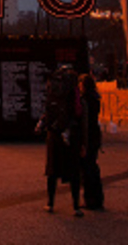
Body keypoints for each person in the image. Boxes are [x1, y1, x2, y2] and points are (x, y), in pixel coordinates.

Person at [38, 66, 84, 216]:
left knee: (52, 170)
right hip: (70, 133)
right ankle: (76, 206)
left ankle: (50, 203)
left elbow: (48, 109)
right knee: (73, 170)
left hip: (53, 133)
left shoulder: (53, 89)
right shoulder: (73, 90)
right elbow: (78, 111)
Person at [79, 71, 106, 209]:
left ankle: (89, 199)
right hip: (94, 135)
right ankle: (97, 198)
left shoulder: (84, 100)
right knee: (93, 167)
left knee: (87, 168)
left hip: (87, 136)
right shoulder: (95, 98)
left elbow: (84, 121)